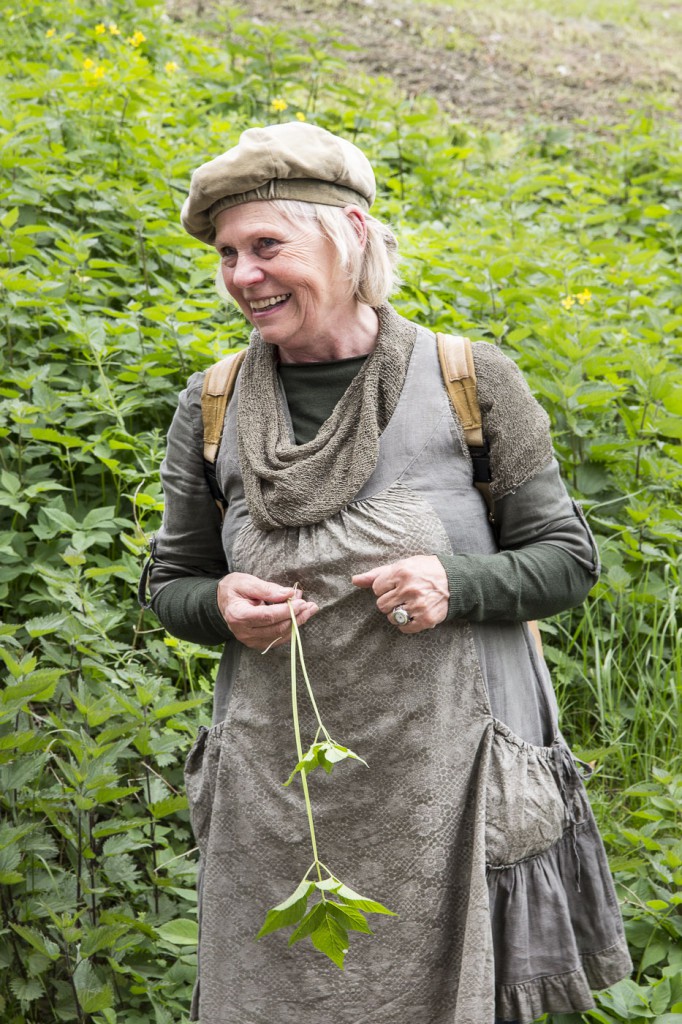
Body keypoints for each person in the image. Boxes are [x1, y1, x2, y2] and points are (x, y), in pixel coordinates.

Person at [144, 122, 631, 1024]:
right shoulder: (210, 404)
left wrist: (458, 582)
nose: (241, 276)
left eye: (266, 247)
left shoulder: (469, 380)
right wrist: (215, 602)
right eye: (226, 255)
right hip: (279, 792)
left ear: (352, 235)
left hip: (445, 789)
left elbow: (567, 562)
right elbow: (171, 580)